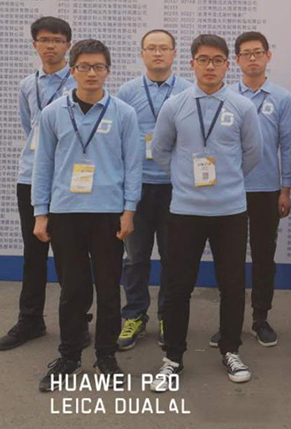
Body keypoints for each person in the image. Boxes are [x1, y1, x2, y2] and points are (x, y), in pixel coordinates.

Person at [150, 34, 263, 391]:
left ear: (227, 65)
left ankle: (231, 349)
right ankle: (173, 357)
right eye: (203, 59)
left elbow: (253, 153)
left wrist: (227, 180)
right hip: (185, 210)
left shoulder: (242, 107)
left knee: (232, 285)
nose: (210, 66)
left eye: (217, 60)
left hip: (230, 210)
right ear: (192, 64)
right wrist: (185, 180)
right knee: (177, 285)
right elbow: (161, 150)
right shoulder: (175, 105)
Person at [32, 39, 143, 391]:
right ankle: (68, 357)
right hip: (66, 212)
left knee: (108, 289)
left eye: (98, 67)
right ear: (73, 70)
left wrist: (129, 210)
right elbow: (43, 165)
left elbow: (133, 166)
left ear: (108, 70)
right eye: (84, 67)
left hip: (108, 213)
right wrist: (40, 213)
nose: (91, 73)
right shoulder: (53, 113)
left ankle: (106, 356)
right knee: (73, 290)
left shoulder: (124, 113)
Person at [0, 17, 84, 352]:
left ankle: (76, 323)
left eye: (58, 40)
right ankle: (30, 320)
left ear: (68, 46)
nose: (51, 46)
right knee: (33, 253)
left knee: (69, 256)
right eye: (45, 40)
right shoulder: (26, 85)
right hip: (31, 177)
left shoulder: (78, 82)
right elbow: (30, 127)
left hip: (67, 180)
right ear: (35, 45)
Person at [209, 31, 291, 348]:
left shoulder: (282, 98)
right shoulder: (225, 95)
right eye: (246, 54)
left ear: (268, 56)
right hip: (231, 188)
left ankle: (261, 318)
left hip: (267, 190)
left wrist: (285, 189)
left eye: (258, 52)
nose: (253, 59)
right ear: (236, 60)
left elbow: (288, 145)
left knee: (263, 256)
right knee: (229, 258)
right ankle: (228, 322)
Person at [115, 29, 191, 350]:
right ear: (142, 54)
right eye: (151, 48)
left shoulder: (188, 91)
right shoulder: (127, 92)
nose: (158, 53)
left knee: (173, 258)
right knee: (135, 258)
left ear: (174, 53)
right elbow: (118, 138)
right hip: (137, 188)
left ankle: (167, 316)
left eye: (164, 48)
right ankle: (134, 314)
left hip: (175, 188)